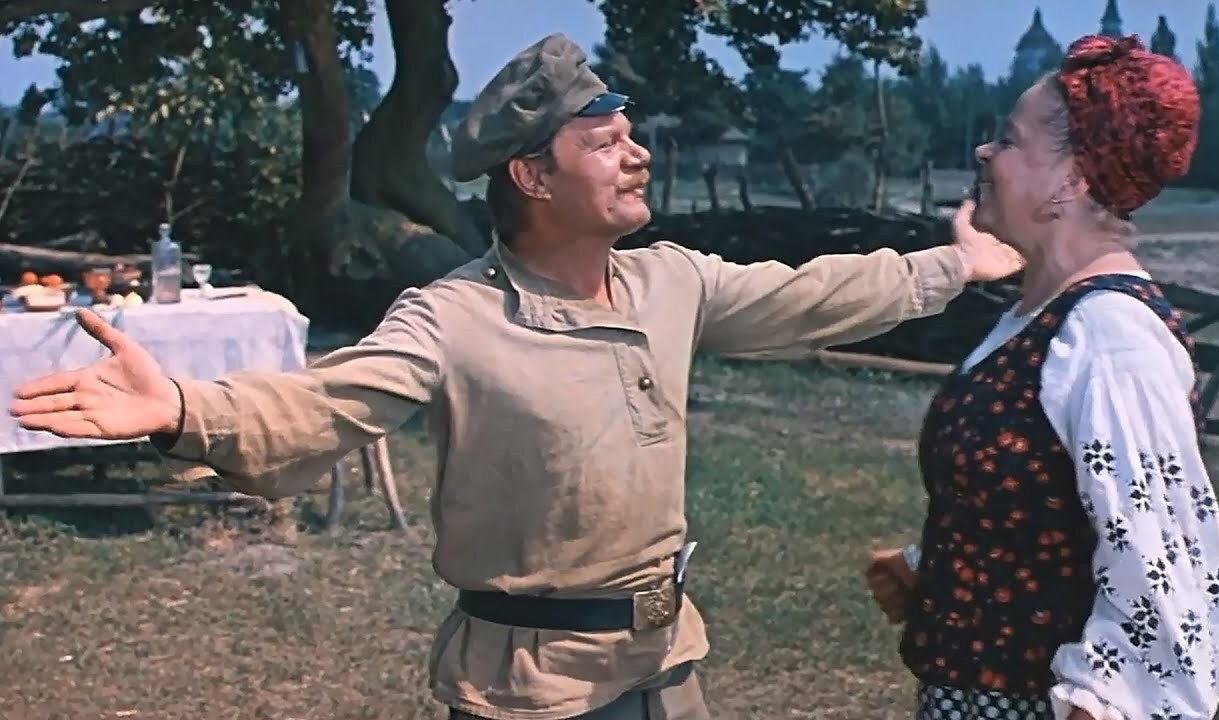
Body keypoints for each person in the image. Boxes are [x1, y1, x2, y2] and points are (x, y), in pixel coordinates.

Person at [10, 34, 1023, 720]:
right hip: (530, 691)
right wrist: (182, 408)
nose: (635, 157)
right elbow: (325, 399)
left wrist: (953, 266)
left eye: (631, 137)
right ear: (532, 175)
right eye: (606, 142)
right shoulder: (454, 317)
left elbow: (809, 294)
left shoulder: (670, 281)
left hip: (668, 670)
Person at [864, 35, 1219, 720]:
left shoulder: (1112, 335)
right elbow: (1045, 497)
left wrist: (1105, 702)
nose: (985, 153)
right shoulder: (1041, 312)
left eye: (1009, 141)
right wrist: (938, 564)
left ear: (1070, 182)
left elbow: (1154, 560)